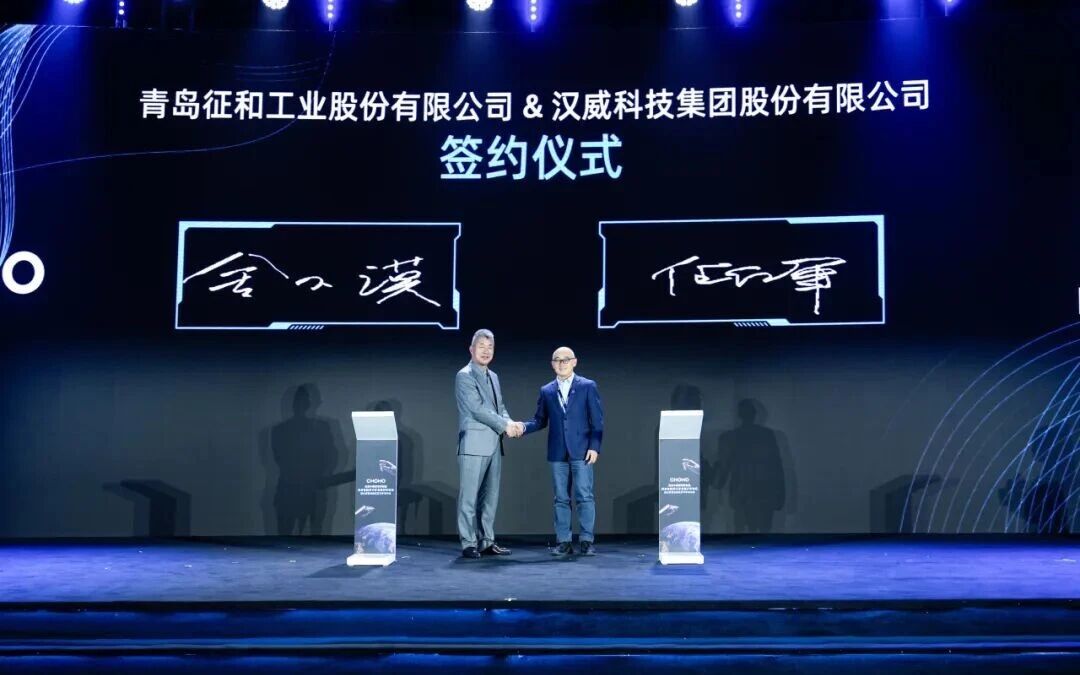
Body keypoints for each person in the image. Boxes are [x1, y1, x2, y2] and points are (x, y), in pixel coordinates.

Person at [522, 347, 604, 556]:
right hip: (557, 452)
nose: (561, 363)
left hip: (582, 451)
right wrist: (522, 428)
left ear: (574, 362)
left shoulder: (587, 386)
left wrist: (594, 447)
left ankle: (586, 541)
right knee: (560, 498)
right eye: (557, 360)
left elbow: (597, 421)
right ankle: (564, 542)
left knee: (584, 496)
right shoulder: (547, 391)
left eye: (566, 359)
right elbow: (539, 420)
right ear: (552, 364)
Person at [455, 329, 523, 559]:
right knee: (469, 497)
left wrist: (511, 422)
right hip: (473, 444)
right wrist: (505, 426)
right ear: (471, 349)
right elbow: (477, 409)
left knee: (490, 498)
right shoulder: (464, 376)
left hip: (494, 442)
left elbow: (499, 407)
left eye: (490, 347)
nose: (486, 351)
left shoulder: (493, 376)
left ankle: (487, 541)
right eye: (481, 346)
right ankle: (468, 543)